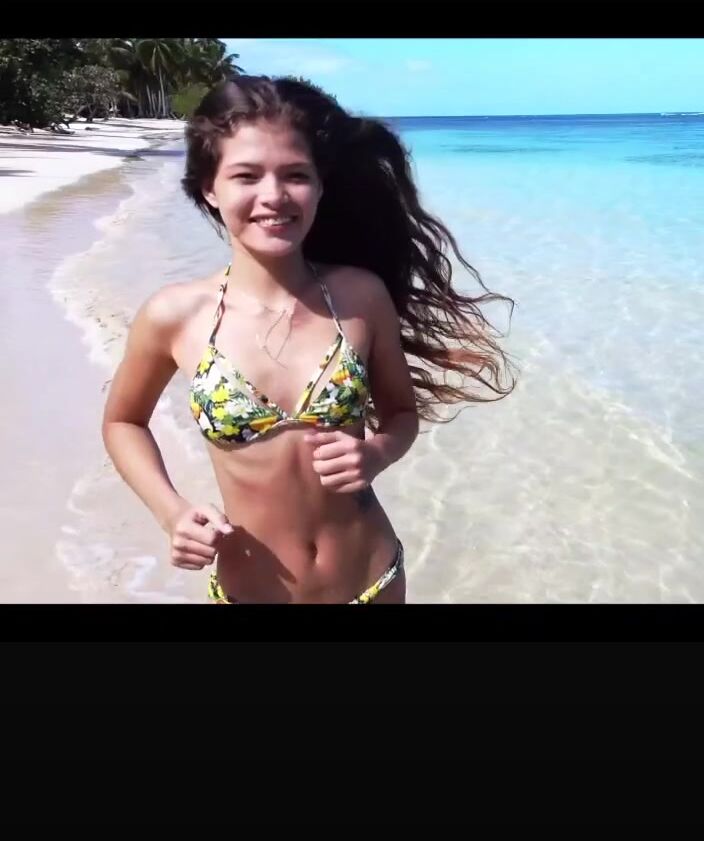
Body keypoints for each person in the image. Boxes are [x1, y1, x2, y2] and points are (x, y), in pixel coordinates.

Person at [102, 75, 514, 603]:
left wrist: (378, 453)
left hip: (373, 580)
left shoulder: (360, 297)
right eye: (246, 175)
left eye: (295, 175)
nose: (273, 196)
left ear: (320, 186)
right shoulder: (175, 315)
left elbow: (401, 415)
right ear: (209, 188)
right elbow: (122, 422)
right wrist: (172, 513)